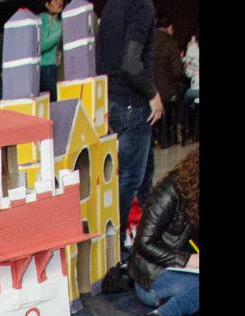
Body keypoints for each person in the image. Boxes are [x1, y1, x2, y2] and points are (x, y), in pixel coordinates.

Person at [95, 0, 163, 249]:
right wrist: (152, 94)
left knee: (142, 178)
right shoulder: (141, 7)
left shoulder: (111, 6)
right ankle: (118, 244)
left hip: (112, 101)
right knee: (130, 180)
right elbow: (131, 63)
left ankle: (153, 238)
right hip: (133, 103)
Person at [128, 147, 199, 316]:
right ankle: (163, 314)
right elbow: (143, 243)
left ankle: (171, 306)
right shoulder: (169, 192)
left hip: (184, 272)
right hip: (152, 274)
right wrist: (186, 260)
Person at [151, 16, 187, 146]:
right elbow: (177, 72)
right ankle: (175, 135)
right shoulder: (171, 44)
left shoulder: (147, 42)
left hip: (150, 89)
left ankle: (156, 136)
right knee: (182, 95)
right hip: (168, 90)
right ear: (170, 28)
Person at [39, 0, 66, 101]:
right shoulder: (44, 18)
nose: (59, 2)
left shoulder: (61, 21)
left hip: (57, 67)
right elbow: (42, 45)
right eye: (55, 0)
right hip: (46, 67)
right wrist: (60, 31)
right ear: (47, 4)